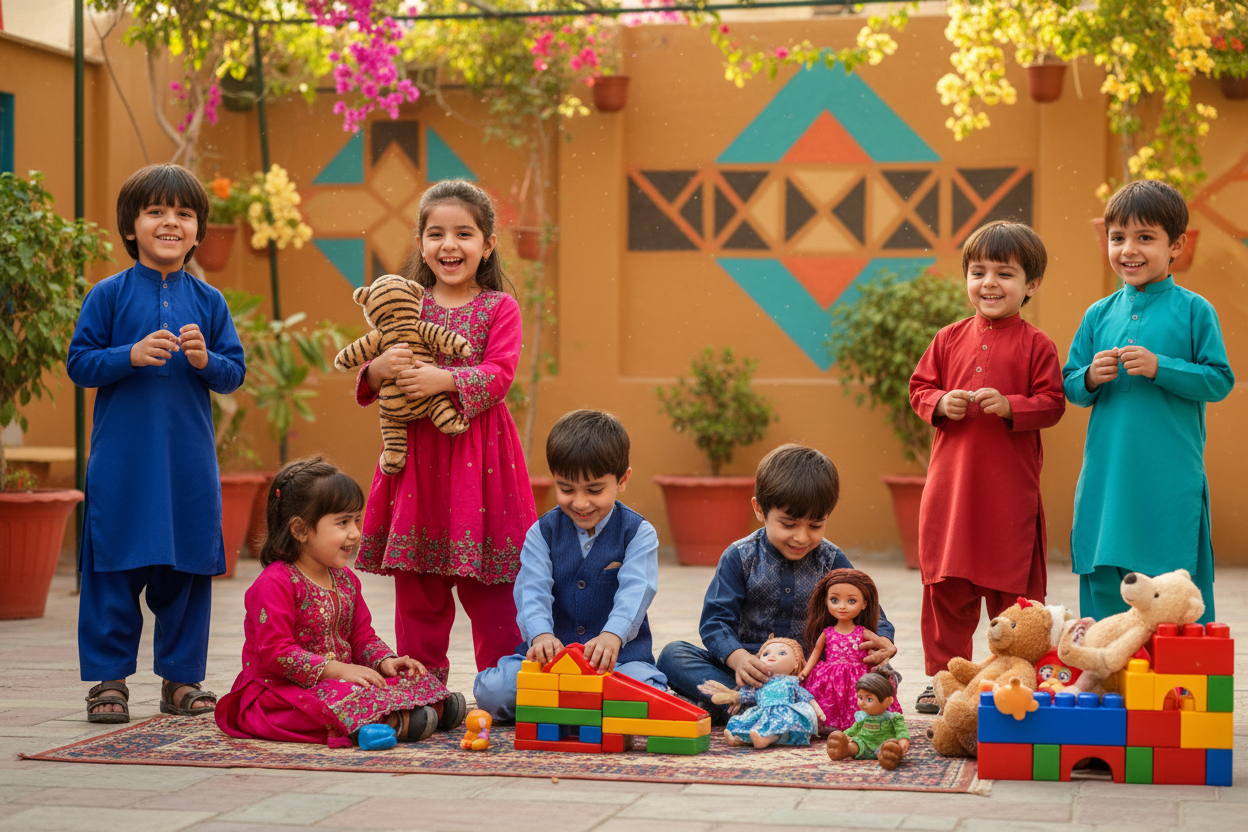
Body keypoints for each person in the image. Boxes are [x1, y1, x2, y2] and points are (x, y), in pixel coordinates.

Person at [67, 163, 246, 724]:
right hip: (123, 466)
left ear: (198, 231)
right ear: (130, 227)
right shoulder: (108, 295)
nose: (170, 222)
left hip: (186, 468)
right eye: (156, 211)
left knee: (186, 572)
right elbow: (79, 362)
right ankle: (108, 683)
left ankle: (180, 680)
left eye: (184, 214)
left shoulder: (210, 301)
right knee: (113, 570)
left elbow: (233, 372)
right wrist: (129, 355)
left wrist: (204, 360)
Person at [352, 179, 536, 684]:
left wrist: (445, 379)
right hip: (416, 463)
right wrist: (379, 367)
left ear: (488, 244)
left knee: (493, 584)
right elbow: (367, 379)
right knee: (419, 583)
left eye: (464, 234)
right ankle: (420, 685)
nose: (449, 246)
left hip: (484, 462)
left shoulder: (501, 308)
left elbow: (499, 375)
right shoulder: (405, 305)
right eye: (436, 234)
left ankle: (503, 685)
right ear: (420, 244)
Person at [908, 220, 1065, 712]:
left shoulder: (1037, 345)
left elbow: (1053, 403)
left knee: (1011, 595)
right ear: (966, 279)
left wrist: (1013, 405)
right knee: (946, 594)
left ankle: (1011, 682)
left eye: (1005, 273)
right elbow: (918, 388)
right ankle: (943, 683)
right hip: (951, 497)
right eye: (978, 272)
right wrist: (939, 402)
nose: (990, 283)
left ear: (1031, 285)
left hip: (1007, 498)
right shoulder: (947, 338)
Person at [1064, 180, 1233, 623]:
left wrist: (1163, 367)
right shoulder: (1098, 314)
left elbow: (1219, 380)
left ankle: (1176, 682)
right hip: (1108, 478)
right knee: (1105, 572)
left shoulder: (1196, 311)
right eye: (1118, 238)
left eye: (1145, 238)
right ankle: (1109, 678)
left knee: (1172, 582)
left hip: (1169, 478)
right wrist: (1091, 377)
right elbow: (1070, 385)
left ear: (1175, 246)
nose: (1128, 250)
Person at [215, 457, 467, 746]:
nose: (355, 533)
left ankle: (412, 712)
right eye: (342, 522)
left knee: (401, 681)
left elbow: (362, 637)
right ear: (300, 529)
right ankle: (400, 719)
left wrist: (385, 661)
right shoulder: (274, 583)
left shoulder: (346, 580)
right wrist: (338, 670)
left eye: (356, 520)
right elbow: (277, 652)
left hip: (340, 682)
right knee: (343, 698)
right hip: (280, 693)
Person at [657, 444, 897, 724]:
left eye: (816, 525)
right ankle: (762, 706)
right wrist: (738, 660)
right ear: (760, 509)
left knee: (883, 677)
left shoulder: (831, 560)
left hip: (810, 675)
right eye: (789, 524)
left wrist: (884, 642)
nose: (802, 537)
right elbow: (715, 622)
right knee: (673, 655)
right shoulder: (740, 556)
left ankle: (744, 708)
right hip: (749, 674)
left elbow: (871, 615)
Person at [473, 409, 666, 721]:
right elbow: (531, 592)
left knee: (645, 691)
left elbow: (636, 592)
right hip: (550, 662)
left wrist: (612, 636)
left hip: (618, 662)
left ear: (623, 479)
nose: (580, 503)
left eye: (594, 490)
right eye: (566, 489)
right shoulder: (541, 532)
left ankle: (567, 706)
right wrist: (540, 636)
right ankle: (582, 706)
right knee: (492, 692)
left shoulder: (638, 532)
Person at [800, 568, 902, 732]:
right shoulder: (827, 633)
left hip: (858, 673)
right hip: (829, 675)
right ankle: (830, 725)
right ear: (826, 601)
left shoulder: (863, 632)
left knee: (858, 698)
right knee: (830, 699)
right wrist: (805, 672)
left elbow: (884, 645)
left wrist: (886, 652)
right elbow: (815, 654)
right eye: (834, 600)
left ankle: (859, 724)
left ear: (864, 604)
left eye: (851, 601)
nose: (842, 607)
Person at [699, 637, 824, 748]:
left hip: (785, 713)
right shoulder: (759, 684)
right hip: (762, 711)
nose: (772, 656)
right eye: (766, 654)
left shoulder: (791, 682)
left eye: (782, 653)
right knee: (749, 722)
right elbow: (748, 695)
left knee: (779, 726)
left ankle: (766, 739)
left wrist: (817, 710)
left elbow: (806, 696)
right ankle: (739, 739)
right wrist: (734, 696)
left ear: (796, 663)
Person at [825, 668, 909, 770]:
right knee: (854, 744)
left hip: (884, 745)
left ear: (888, 701)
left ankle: (887, 758)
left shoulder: (894, 717)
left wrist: (903, 740)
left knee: (891, 746)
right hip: (863, 744)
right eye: (860, 698)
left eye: (869, 699)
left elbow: (901, 730)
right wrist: (844, 736)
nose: (862, 703)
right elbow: (854, 729)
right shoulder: (862, 716)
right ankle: (844, 750)